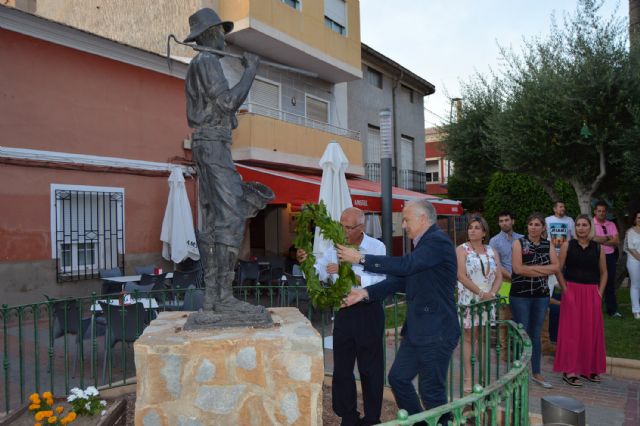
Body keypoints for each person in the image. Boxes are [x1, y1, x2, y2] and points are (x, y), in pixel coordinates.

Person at [336, 199, 460, 421]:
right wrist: (365, 293)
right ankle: (421, 423)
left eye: (406, 220)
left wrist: (361, 258)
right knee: (398, 378)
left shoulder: (437, 242)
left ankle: (443, 423)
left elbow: (405, 266)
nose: (403, 225)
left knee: (431, 391)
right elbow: (401, 280)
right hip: (418, 330)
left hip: (437, 331)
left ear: (422, 219)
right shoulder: (424, 245)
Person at [184, 8, 273, 313]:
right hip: (213, 144)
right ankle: (222, 295)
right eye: (221, 32)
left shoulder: (201, 63)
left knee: (214, 219)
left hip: (210, 144)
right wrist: (251, 71)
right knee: (232, 215)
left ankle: (214, 296)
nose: (224, 38)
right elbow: (227, 102)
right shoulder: (207, 60)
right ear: (210, 35)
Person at [297, 207, 386, 426]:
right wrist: (307, 262)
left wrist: (346, 270)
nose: (343, 231)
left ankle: (372, 418)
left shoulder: (377, 247)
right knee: (343, 368)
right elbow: (319, 271)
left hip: (369, 311)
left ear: (361, 227)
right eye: (341, 225)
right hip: (344, 311)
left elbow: (379, 280)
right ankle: (348, 415)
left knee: (370, 368)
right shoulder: (333, 247)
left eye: (348, 227)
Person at [553, 214, 607, 386]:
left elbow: (604, 273)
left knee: (591, 331)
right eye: (578, 225)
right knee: (571, 332)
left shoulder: (598, 248)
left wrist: (600, 293)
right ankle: (569, 370)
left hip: (592, 292)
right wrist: (565, 289)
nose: (581, 228)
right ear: (574, 228)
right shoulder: (568, 245)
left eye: (585, 225)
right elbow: (558, 269)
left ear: (590, 227)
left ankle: (589, 369)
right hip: (572, 291)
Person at [511, 213, 560, 389]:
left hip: (541, 295)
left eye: (537, 224)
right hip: (520, 295)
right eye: (531, 224)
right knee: (521, 332)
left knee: (536, 334)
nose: (533, 227)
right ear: (527, 226)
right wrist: (543, 270)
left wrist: (530, 269)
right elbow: (517, 268)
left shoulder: (549, 245)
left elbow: (556, 267)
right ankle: (518, 373)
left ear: (543, 227)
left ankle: (536, 372)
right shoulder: (519, 243)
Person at [456, 216, 502, 392]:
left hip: (487, 300)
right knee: (468, 338)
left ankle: (484, 377)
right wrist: (481, 293)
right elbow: (461, 275)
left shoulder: (492, 250)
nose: (472, 230)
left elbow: (498, 275)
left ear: (484, 232)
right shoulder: (462, 249)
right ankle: (468, 379)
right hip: (469, 298)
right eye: (470, 227)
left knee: (483, 338)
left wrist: (492, 293)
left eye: (476, 228)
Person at [592, 201, 622, 318]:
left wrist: (601, 239)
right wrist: (608, 238)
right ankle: (594, 309)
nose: (601, 213)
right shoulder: (591, 224)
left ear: (606, 212)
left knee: (610, 284)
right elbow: (592, 239)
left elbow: (616, 241)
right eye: (599, 211)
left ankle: (612, 311)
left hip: (609, 256)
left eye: (604, 211)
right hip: (595, 256)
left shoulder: (611, 224)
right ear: (595, 211)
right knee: (594, 283)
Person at [545, 201, 575, 296]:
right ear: (554, 209)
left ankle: (567, 299)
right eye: (560, 207)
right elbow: (543, 236)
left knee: (567, 279)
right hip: (551, 255)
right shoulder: (547, 220)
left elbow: (574, 236)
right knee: (550, 281)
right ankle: (550, 299)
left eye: (564, 207)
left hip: (567, 255)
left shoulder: (569, 220)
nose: (563, 208)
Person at [625, 210, 640, 320]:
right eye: (639, 217)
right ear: (635, 219)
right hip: (634, 261)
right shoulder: (630, 232)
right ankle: (636, 310)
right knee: (635, 285)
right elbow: (630, 248)